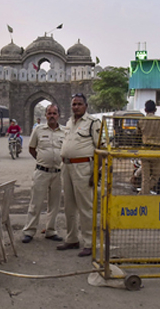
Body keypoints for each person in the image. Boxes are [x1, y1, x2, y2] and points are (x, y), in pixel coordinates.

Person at [57, 93, 101, 257]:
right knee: (69, 205)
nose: (76, 107)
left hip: (83, 167)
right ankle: (72, 239)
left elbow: (101, 148)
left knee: (85, 207)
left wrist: (96, 172)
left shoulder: (93, 123)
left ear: (86, 106)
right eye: (74, 104)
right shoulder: (69, 123)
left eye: (79, 104)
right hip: (66, 167)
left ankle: (90, 243)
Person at [22, 104, 65, 243]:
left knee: (54, 204)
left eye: (54, 113)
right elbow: (32, 148)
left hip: (58, 173)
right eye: (49, 113)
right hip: (42, 171)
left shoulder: (64, 131)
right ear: (46, 116)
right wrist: (42, 160)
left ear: (58, 115)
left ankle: (50, 230)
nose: (52, 116)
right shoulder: (38, 130)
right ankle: (29, 231)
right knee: (36, 202)